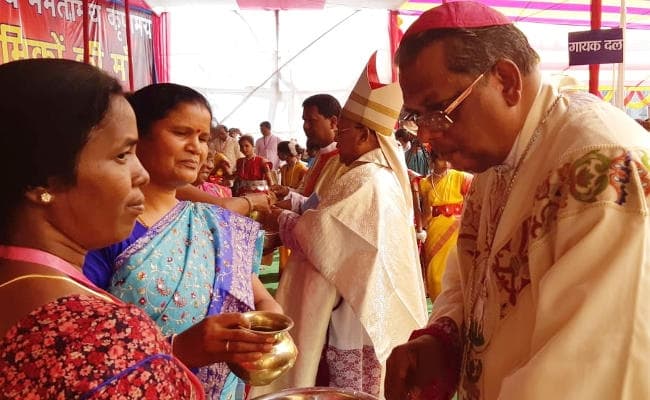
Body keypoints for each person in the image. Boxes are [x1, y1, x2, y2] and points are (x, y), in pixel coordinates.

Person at [385, 2, 650, 399]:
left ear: (507, 81)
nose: (425, 135)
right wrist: (441, 338)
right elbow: (471, 277)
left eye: (438, 111)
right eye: (417, 117)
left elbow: (587, 370)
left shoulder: (602, 163)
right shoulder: (497, 161)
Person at [0, 59, 269, 399]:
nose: (140, 174)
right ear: (43, 179)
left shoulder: (23, 285)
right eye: (122, 155)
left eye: (203, 138)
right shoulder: (101, 335)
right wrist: (170, 349)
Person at [83, 83, 282, 400]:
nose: (196, 148)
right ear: (136, 138)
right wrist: (176, 349)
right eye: (181, 133)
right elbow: (85, 349)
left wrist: (267, 330)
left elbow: (262, 300)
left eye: (202, 138)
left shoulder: (217, 224)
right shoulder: (104, 230)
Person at [253, 53, 428, 398]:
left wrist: (280, 218)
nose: (338, 137)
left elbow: (324, 233)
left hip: (354, 302)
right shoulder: (368, 173)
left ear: (364, 135)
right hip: (356, 293)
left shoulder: (367, 178)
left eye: (343, 131)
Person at [418, 155, 472, 300]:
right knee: (435, 273)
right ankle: (439, 306)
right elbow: (425, 213)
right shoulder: (424, 184)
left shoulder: (461, 177)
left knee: (455, 268)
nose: (447, 161)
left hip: (457, 230)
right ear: (433, 160)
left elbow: (473, 201)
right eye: (442, 157)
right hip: (435, 229)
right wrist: (418, 230)